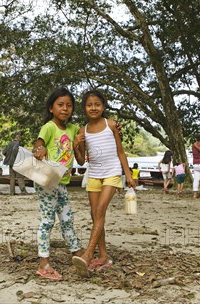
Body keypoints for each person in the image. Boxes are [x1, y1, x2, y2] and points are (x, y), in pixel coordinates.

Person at [72, 90, 136, 277]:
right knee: (95, 215)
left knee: (100, 211)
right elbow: (82, 161)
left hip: (112, 173)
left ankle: (88, 255)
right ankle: (104, 256)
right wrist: (76, 144)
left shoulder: (112, 125)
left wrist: (128, 174)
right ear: (84, 108)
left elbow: (121, 152)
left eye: (97, 104)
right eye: (89, 105)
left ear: (103, 106)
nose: (94, 108)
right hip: (94, 174)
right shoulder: (82, 131)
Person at [32, 87, 83, 281]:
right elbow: (38, 144)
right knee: (47, 221)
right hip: (47, 181)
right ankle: (44, 263)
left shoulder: (73, 129)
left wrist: (77, 142)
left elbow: (79, 160)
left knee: (67, 218)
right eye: (60, 105)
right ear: (51, 108)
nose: (65, 109)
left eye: (69, 105)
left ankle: (75, 253)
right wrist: (40, 149)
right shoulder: (49, 127)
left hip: (62, 183)